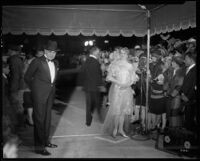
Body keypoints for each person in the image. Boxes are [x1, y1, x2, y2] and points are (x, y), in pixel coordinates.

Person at [24, 40, 59, 156]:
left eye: (54, 52)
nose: (52, 54)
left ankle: (46, 141)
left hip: (50, 95)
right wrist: (35, 90)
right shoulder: (37, 62)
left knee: (47, 119)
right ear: (45, 51)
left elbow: (52, 80)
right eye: (50, 51)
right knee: (39, 120)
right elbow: (27, 77)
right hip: (39, 95)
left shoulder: (55, 63)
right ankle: (39, 148)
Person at [102, 47, 138, 138]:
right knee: (117, 111)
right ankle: (115, 129)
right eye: (121, 53)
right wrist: (119, 83)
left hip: (126, 90)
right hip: (117, 89)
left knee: (123, 111)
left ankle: (121, 129)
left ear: (127, 55)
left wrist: (127, 85)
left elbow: (133, 78)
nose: (123, 55)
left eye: (124, 53)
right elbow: (109, 77)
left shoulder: (130, 65)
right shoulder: (115, 64)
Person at [78, 46, 105, 126]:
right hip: (95, 87)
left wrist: (81, 84)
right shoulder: (96, 62)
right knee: (97, 104)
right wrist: (101, 84)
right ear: (94, 52)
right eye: (98, 52)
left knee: (89, 105)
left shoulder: (86, 60)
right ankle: (101, 119)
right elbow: (98, 75)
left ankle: (88, 122)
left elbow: (82, 72)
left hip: (87, 87)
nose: (99, 53)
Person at [7, 45, 25, 127]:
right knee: (19, 105)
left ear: (11, 50)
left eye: (8, 50)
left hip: (16, 86)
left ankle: (19, 123)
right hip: (20, 85)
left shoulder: (13, 59)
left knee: (16, 105)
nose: (7, 52)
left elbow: (15, 75)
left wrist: (13, 88)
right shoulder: (19, 59)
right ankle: (21, 123)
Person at [165, 55, 185, 127]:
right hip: (169, 95)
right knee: (169, 113)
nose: (171, 63)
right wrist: (166, 91)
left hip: (176, 97)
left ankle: (175, 131)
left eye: (173, 62)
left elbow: (180, 85)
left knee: (174, 114)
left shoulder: (181, 72)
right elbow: (167, 81)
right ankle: (171, 130)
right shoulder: (171, 70)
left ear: (177, 63)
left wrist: (172, 94)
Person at [180, 50, 196, 131]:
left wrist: (188, 97)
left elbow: (194, 86)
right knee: (186, 119)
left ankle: (190, 139)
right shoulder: (187, 69)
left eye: (185, 58)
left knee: (189, 120)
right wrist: (182, 93)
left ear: (191, 59)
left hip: (190, 100)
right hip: (184, 98)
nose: (184, 60)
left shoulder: (195, 70)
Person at [23, 49, 36, 126]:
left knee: (30, 103)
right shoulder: (27, 61)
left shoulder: (33, 62)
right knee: (29, 103)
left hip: (30, 85)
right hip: (28, 86)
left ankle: (30, 119)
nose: (26, 55)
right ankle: (30, 119)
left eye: (27, 54)